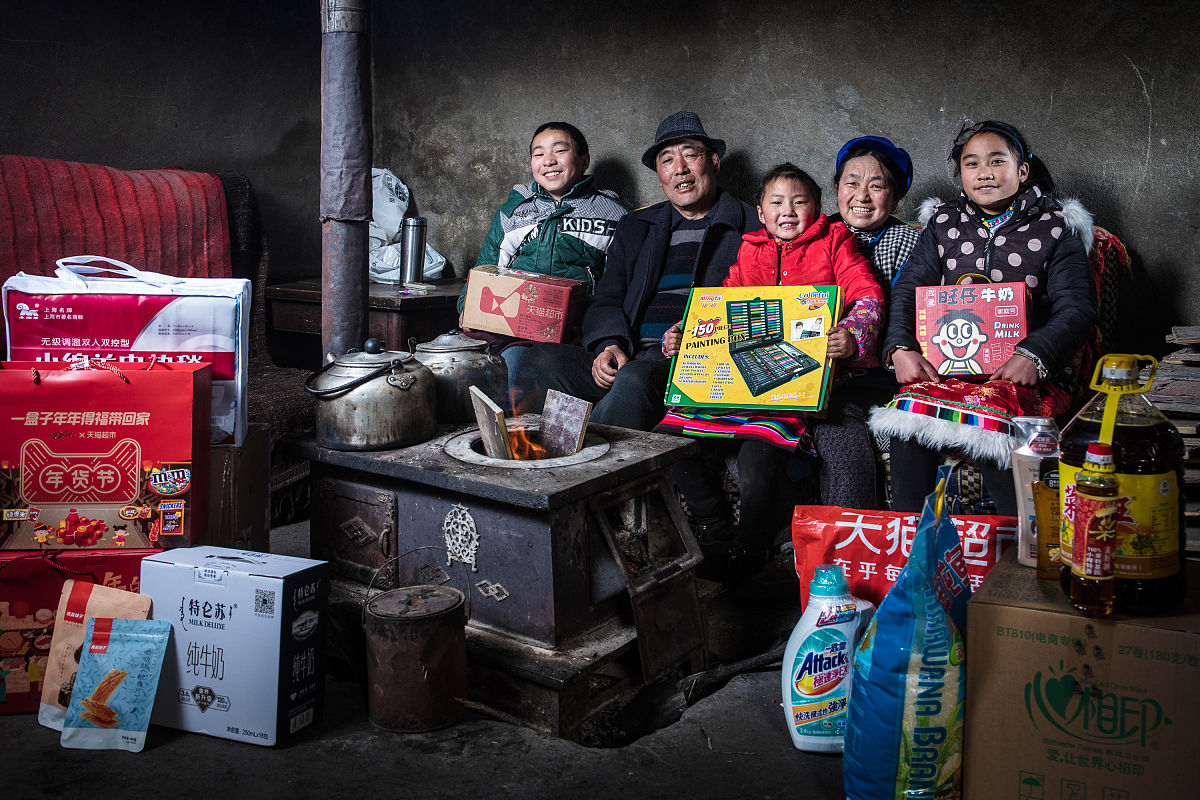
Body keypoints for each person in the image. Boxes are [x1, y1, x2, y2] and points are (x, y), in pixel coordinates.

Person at [659, 163, 885, 574]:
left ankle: (751, 549)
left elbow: (868, 296)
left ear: (818, 208)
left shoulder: (835, 243)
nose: (788, 211)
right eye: (776, 203)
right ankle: (713, 525)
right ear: (761, 213)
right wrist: (680, 333)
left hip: (797, 384)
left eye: (800, 202)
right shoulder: (750, 251)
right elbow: (718, 304)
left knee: (756, 459)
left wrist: (852, 336)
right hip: (740, 379)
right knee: (667, 439)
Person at [869, 119, 1097, 514]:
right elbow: (908, 290)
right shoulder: (943, 225)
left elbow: (1077, 308)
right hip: (947, 372)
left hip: (1024, 375)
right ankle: (913, 547)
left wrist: (1033, 356)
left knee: (992, 424)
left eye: (997, 161)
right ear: (961, 173)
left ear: (1022, 170)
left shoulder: (1056, 227)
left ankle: (1014, 553)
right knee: (907, 422)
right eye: (971, 163)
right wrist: (901, 349)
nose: (984, 172)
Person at [511, 111, 760, 426]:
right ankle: (599, 427)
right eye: (667, 160)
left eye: (690, 155)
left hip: (691, 363)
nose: (680, 169)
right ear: (659, 175)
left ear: (714, 162)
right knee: (544, 359)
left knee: (635, 380)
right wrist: (608, 344)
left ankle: (588, 446)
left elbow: (759, 309)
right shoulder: (637, 225)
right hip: (629, 355)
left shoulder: (751, 225)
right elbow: (608, 295)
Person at [458, 121, 627, 396]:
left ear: (584, 161)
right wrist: (467, 305)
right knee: (471, 362)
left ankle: (526, 436)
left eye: (560, 151)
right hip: (512, 328)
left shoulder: (612, 214)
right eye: (539, 154)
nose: (549, 161)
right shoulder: (514, 211)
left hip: (575, 335)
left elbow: (617, 289)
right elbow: (486, 267)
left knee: (523, 367)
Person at [829, 135, 921, 300]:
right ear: (837, 188)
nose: (862, 196)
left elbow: (905, 308)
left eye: (876, 186)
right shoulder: (816, 232)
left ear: (895, 199)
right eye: (852, 184)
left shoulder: (911, 243)